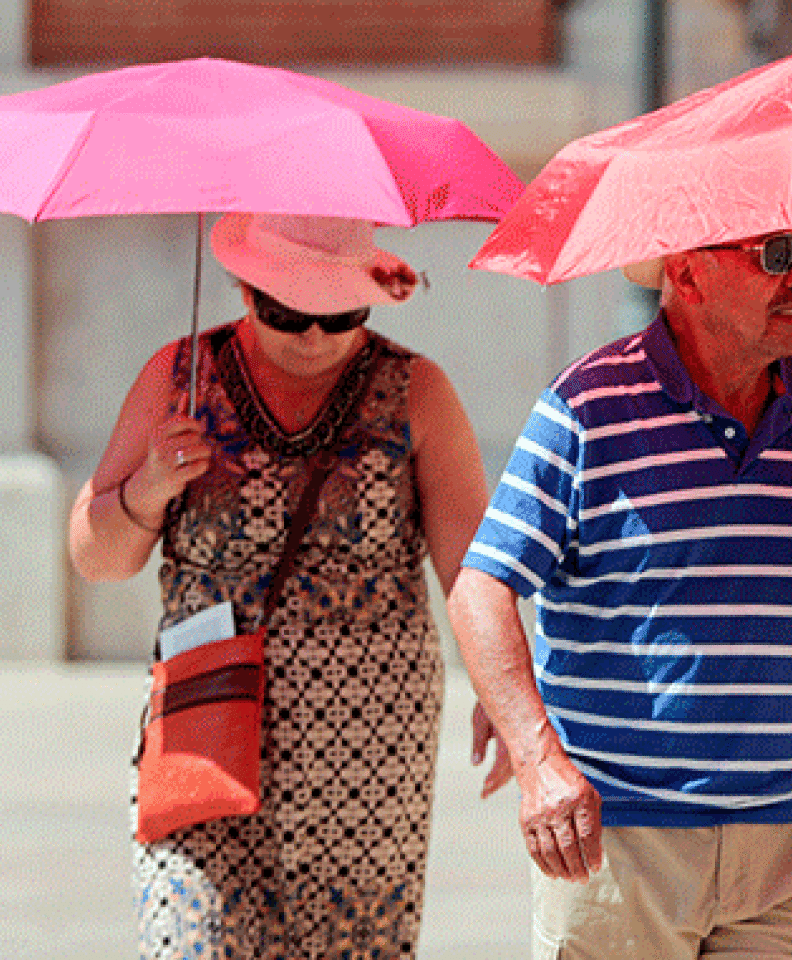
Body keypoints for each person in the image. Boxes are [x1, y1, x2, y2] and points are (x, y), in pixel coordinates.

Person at [448, 227, 792, 959]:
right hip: (622, 838)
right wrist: (536, 757)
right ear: (687, 274)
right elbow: (481, 587)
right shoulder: (586, 406)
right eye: (772, 255)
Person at [68, 213, 495, 957]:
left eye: (338, 317)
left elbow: (470, 568)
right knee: (188, 938)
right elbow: (95, 557)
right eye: (286, 312)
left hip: (369, 754)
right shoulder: (180, 378)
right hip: (206, 728)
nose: (312, 338)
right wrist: (150, 487)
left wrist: (506, 696)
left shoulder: (414, 388)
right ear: (243, 288)